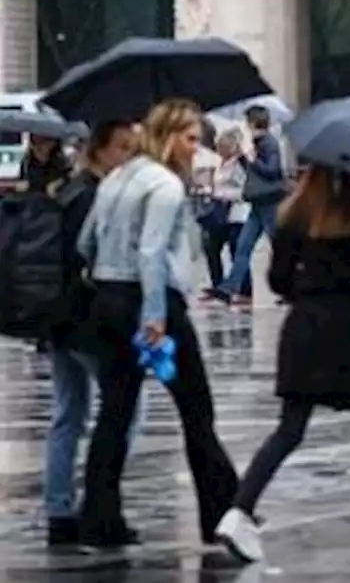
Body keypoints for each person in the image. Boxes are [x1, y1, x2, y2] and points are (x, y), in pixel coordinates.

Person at [214, 165, 350, 562]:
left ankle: (238, 511)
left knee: (289, 429)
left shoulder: (292, 217)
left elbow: (278, 282)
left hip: (303, 330)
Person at [76, 99, 239, 547]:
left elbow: (86, 240)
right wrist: (154, 317)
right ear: (168, 138)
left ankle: (99, 516)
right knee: (196, 409)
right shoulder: (165, 186)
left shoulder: (116, 177)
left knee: (115, 410)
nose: (195, 149)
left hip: (108, 299)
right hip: (153, 303)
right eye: (189, 139)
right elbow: (151, 253)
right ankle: (221, 512)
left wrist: (105, 281)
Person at [42, 120, 146, 546]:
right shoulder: (96, 196)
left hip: (58, 320)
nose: (128, 157)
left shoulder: (66, 191)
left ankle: (59, 510)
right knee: (123, 413)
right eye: (122, 147)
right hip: (92, 320)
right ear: (99, 150)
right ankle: (98, 505)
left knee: (68, 415)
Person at [212, 106, 285, 305]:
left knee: (279, 245)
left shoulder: (269, 143)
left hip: (269, 201)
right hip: (258, 201)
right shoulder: (256, 143)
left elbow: (273, 170)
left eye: (247, 123)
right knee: (244, 246)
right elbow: (252, 173)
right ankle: (230, 287)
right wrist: (244, 156)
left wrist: (251, 158)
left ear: (253, 123)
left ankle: (292, 287)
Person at [199, 130, 252, 300]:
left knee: (237, 251)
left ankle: (245, 289)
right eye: (218, 146)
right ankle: (218, 284)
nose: (219, 150)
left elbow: (245, 191)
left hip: (237, 214)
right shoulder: (220, 164)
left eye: (222, 147)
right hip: (220, 216)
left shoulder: (240, 165)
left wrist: (220, 194)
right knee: (211, 247)